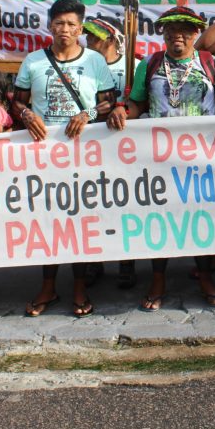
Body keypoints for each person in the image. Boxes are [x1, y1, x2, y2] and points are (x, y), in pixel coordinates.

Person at [108, 6, 215, 311]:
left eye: (187, 30)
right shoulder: (148, 65)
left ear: (196, 33)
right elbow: (136, 103)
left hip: (202, 158)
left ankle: (204, 277)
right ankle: (158, 279)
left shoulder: (210, 63)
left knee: (201, 217)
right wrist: (122, 111)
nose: (178, 35)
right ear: (163, 33)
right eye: (171, 29)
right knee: (161, 218)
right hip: (159, 157)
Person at [13, 0, 118, 318]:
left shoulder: (96, 62)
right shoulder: (33, 61)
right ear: (49, 25)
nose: (65, 30)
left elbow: (110, 102)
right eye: (59, 23)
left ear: (80, 28)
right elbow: (15, 102)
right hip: (44, 155)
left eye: (72, 24)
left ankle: (79, 287)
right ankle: (48, 286)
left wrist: (86, 114)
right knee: (49, 221)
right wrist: (26, 114)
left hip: (84, 154)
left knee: (79, 221)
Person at [81, 15, 139, 289]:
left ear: (111, 39)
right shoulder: (83, 66)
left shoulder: (135, 66)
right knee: (93, 204)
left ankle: (126, 261)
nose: (89, 42)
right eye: (88, 37)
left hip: (126, 148)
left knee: (125, 205)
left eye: (94, 37)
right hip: (91, 146)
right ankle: (95, 261)